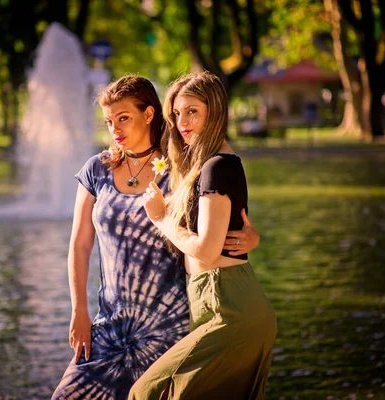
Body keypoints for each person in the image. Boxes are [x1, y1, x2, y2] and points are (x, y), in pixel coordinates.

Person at [52, 75, 260, 400]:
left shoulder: (180, 164)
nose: (115, 129)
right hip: (111, 322)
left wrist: (250, 238)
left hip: (170, 324)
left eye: (123, 118)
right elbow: (79, 244)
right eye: (109, 121)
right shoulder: (96, 170)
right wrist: (79, 310)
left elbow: (218, 218)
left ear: (148, 115)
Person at [130, 71, 277, 399]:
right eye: (178, 113)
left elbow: (207, 252)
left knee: (146, 393)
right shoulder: (205, 166)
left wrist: (162, 218)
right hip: (219, 304)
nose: (183, 122)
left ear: (216, 111)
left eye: (193, 111)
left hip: (229, 306)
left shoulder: (217, 166)